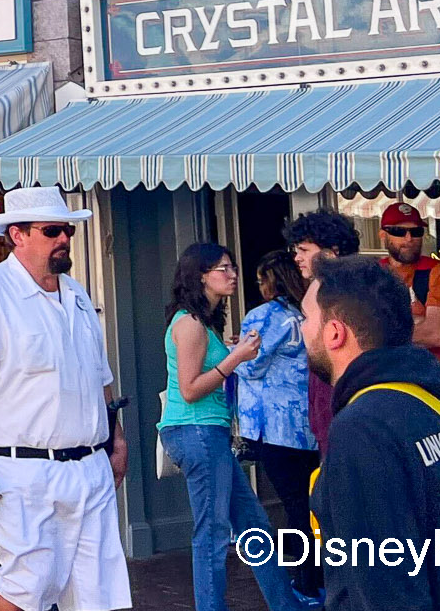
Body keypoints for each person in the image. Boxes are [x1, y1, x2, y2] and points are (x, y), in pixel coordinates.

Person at [0, 185, 129, 611]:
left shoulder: (77, 295)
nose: (64, 239)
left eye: (67, 230)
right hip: (21, 470)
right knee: (27, 583)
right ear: (18, 235)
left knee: (97, 588)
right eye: (51, 231)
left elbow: (99, 377)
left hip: (89, 467)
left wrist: (115, 438)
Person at [303, 254, 440, 611]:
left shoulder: (363, 427)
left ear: (334, 333)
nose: (302, 329)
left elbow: (385, 586)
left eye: (306, 318)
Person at [160, 242, 310, 611]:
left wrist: (231, 352)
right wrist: (237, 357)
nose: (233, 275)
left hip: (206, 432)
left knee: (254, 524)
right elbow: (190, 390)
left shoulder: (203, 324)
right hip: (196, 430)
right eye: (223, 269)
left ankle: (286, 605)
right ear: (201, 276)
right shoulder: (190, 324)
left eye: (232, 267)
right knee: (212, 533)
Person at [239, 250, 320, 602]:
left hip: (273, 425)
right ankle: (318, 575)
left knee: (294, 504)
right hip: (307, 421)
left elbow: (250, 364)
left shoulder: (263, 316)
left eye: (261, 280)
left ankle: (305, 581)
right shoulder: (307, 312)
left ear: (270, 281)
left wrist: (229, 353)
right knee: (309, 501)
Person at [286, 209, 359, 454]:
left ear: (331, 252)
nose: (297, 258)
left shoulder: (336, 289)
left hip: (338, 392)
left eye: (304, 250)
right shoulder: (341, 285)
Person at [379, 203, 440, 367]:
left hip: (429, 374)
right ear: (383, 235)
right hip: (380, 373)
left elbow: (436, 334)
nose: (409, 238)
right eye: (399, 232)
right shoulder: (371, 273)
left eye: (416, 232)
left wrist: (377, 333)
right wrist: (417, 322)